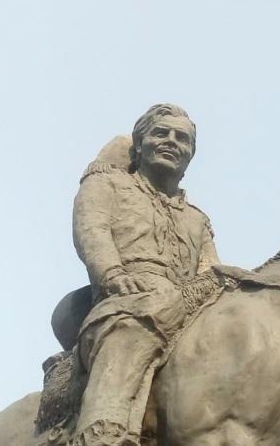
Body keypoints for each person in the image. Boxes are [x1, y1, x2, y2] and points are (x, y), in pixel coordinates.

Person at [67, 104, 220, 445]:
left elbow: (211, 269)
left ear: (190, 156)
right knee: (129, 331)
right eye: (160, 133)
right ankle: (103, 434)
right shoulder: (108, 184)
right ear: (139, 145)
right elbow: (92, 230)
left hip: (188, 306)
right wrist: (111, 273)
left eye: (182, 138)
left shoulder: (197, 219)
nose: (171, 141)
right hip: (127, 299)